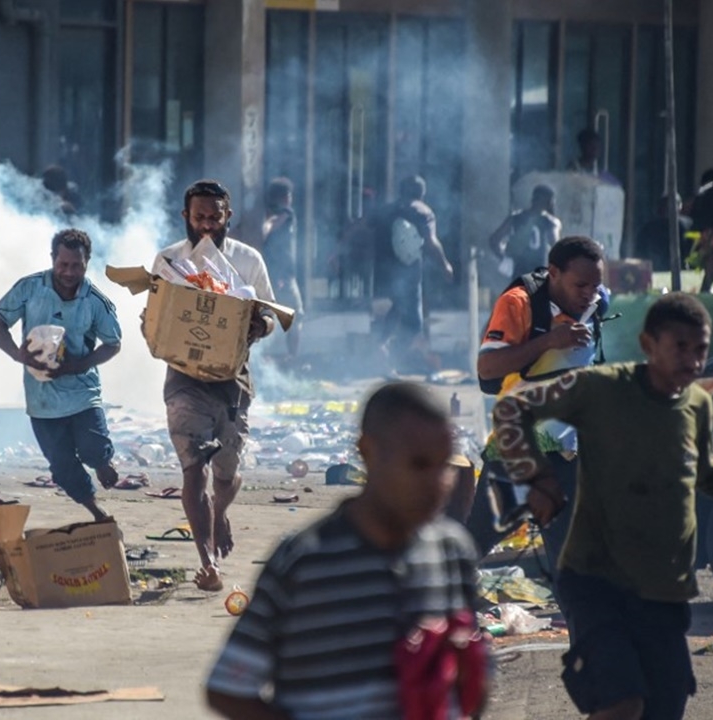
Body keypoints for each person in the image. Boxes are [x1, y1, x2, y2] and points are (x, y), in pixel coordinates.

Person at [492, 293, 713, 720]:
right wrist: (535, 478)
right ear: (649, 345)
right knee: (622, 702)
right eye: (680, 347)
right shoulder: (602, 388)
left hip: (662, 588)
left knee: (665, 705)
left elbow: (708, 470)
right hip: (597, 582)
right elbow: (512, 409)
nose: (692, 361)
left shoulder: (696, 404)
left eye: (701, 349)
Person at [206, 383, 486, 719]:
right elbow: (228, 688)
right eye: (419, 464)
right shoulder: (306, 561)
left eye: (444, 467)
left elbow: (474, 681)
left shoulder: (452, 553)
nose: (436, 483)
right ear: (368, 452)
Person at [152, 179, 276, 591]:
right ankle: (207, 562)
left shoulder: (248, 260)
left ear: (228, 217)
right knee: (194, 469)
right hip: (184, 379)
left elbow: (271, 315)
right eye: (199, 217)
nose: (207, 226)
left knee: (226, 474)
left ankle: (219, 512)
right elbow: (155, 317)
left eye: (214, 217)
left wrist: (258, 325)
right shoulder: (168, 260)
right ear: (185, 216)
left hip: (232, 381)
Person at [471, 236, 607, 579]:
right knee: (473, 543)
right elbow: (487, 368)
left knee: (571, 564)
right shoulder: (518, 303)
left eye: (596, 284)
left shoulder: (598, 302)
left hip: (568, 455)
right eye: (580, 284)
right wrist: (549, 341)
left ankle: (588, 631)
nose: (589, 293)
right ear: (554, 272)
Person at [0, 228, 123, 521]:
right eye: (62, 264)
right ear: (53, 259)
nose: (68, 272)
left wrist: (78, 364)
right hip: (42, 399)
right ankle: (96, 512)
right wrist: (18, 354)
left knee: (93, 448)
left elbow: (113, 344)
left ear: (87, 263)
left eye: (76, 265)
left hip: (81, 391)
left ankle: (102, 462)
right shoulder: (29, 288)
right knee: (62, 466)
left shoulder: (95, 301)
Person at [380, 176, 454, 374]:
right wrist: (445, 264)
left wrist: (339, 251)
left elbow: (362, 225)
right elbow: (431, 241)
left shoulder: (389, 210)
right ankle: (389, 358)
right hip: (409, 272)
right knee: (414, 324)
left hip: (384, 271)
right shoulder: (422, 211)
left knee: (397, 308)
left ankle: (380, 345)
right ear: (421, 193)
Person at [260, 176, 303, 360]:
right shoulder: (285, 213)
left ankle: (285, 356)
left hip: (278, 273)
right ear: (285, 197)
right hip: (281, 275)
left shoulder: (277, 213)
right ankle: (291, 357)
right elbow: (268, 228)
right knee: (295, 315)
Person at [487, 185, 562, 279]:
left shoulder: (515, 218)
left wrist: (505, 259)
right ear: (548, 201)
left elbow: (494, 240)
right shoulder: (550, 222)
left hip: (518, 274)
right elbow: (557, 248)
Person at [634, 195, 693, 274]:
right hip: (676, 268)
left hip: (656, 269)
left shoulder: (648, 227)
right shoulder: (687, 224)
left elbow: (639, 253)